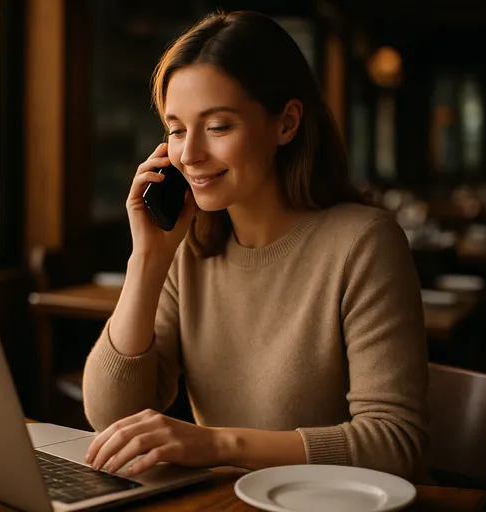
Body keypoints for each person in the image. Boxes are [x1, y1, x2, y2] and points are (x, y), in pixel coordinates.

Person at [82, 10, 429, 481]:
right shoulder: (187, 248)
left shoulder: (364, 242)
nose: (189, 154)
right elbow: (111, 416)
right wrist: (147, 259)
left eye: (218, 126)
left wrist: (218, 443)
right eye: (177, 129)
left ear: (286, 124)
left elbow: (395, 443)